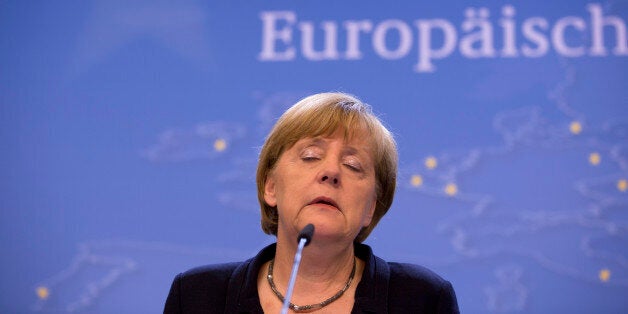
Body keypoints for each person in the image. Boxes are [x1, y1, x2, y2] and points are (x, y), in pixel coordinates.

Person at [164, 92, 459, 313]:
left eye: (354, 165)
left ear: (370, 208)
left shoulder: (422, 299)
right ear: (271, 186)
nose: (331, 172)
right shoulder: (195, 297)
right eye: (310, 156)